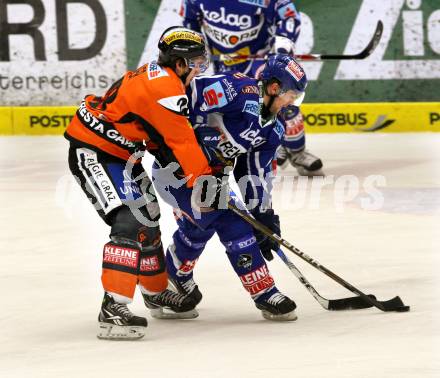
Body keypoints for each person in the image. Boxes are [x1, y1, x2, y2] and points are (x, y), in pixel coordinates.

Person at [64, 26, 214, 339]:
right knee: (129, 220)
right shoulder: (168, 90)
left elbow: (159, 138)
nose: (200, 68)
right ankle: (113, 307)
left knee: (148, 219)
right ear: (181, 63)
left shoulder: (160, 75)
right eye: (197, 62)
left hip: (122, 154)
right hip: (94, 150)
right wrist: (206, 183)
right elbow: (182, 142)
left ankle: (156, 293)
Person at [152, 54, 307, 321]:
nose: (292, 102)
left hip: (211, 181)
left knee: (200, 227)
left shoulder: (273, 130)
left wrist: (264, 216)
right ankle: (265, 292)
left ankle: (173, 275)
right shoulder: (236, 89)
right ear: (273, 87)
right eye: (291, 94)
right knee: (232, 223)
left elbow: (253, 174)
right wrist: (195, 138)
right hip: (176, 172)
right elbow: (184, 95)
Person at [179, 0, 323, 175]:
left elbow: (289, 17)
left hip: (260, 63)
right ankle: (262, 147)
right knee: (238, 109)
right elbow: (189, 20)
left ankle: (298, 152)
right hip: (225, 64)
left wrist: (282, 49)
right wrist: (195, 49)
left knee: (283, 101)